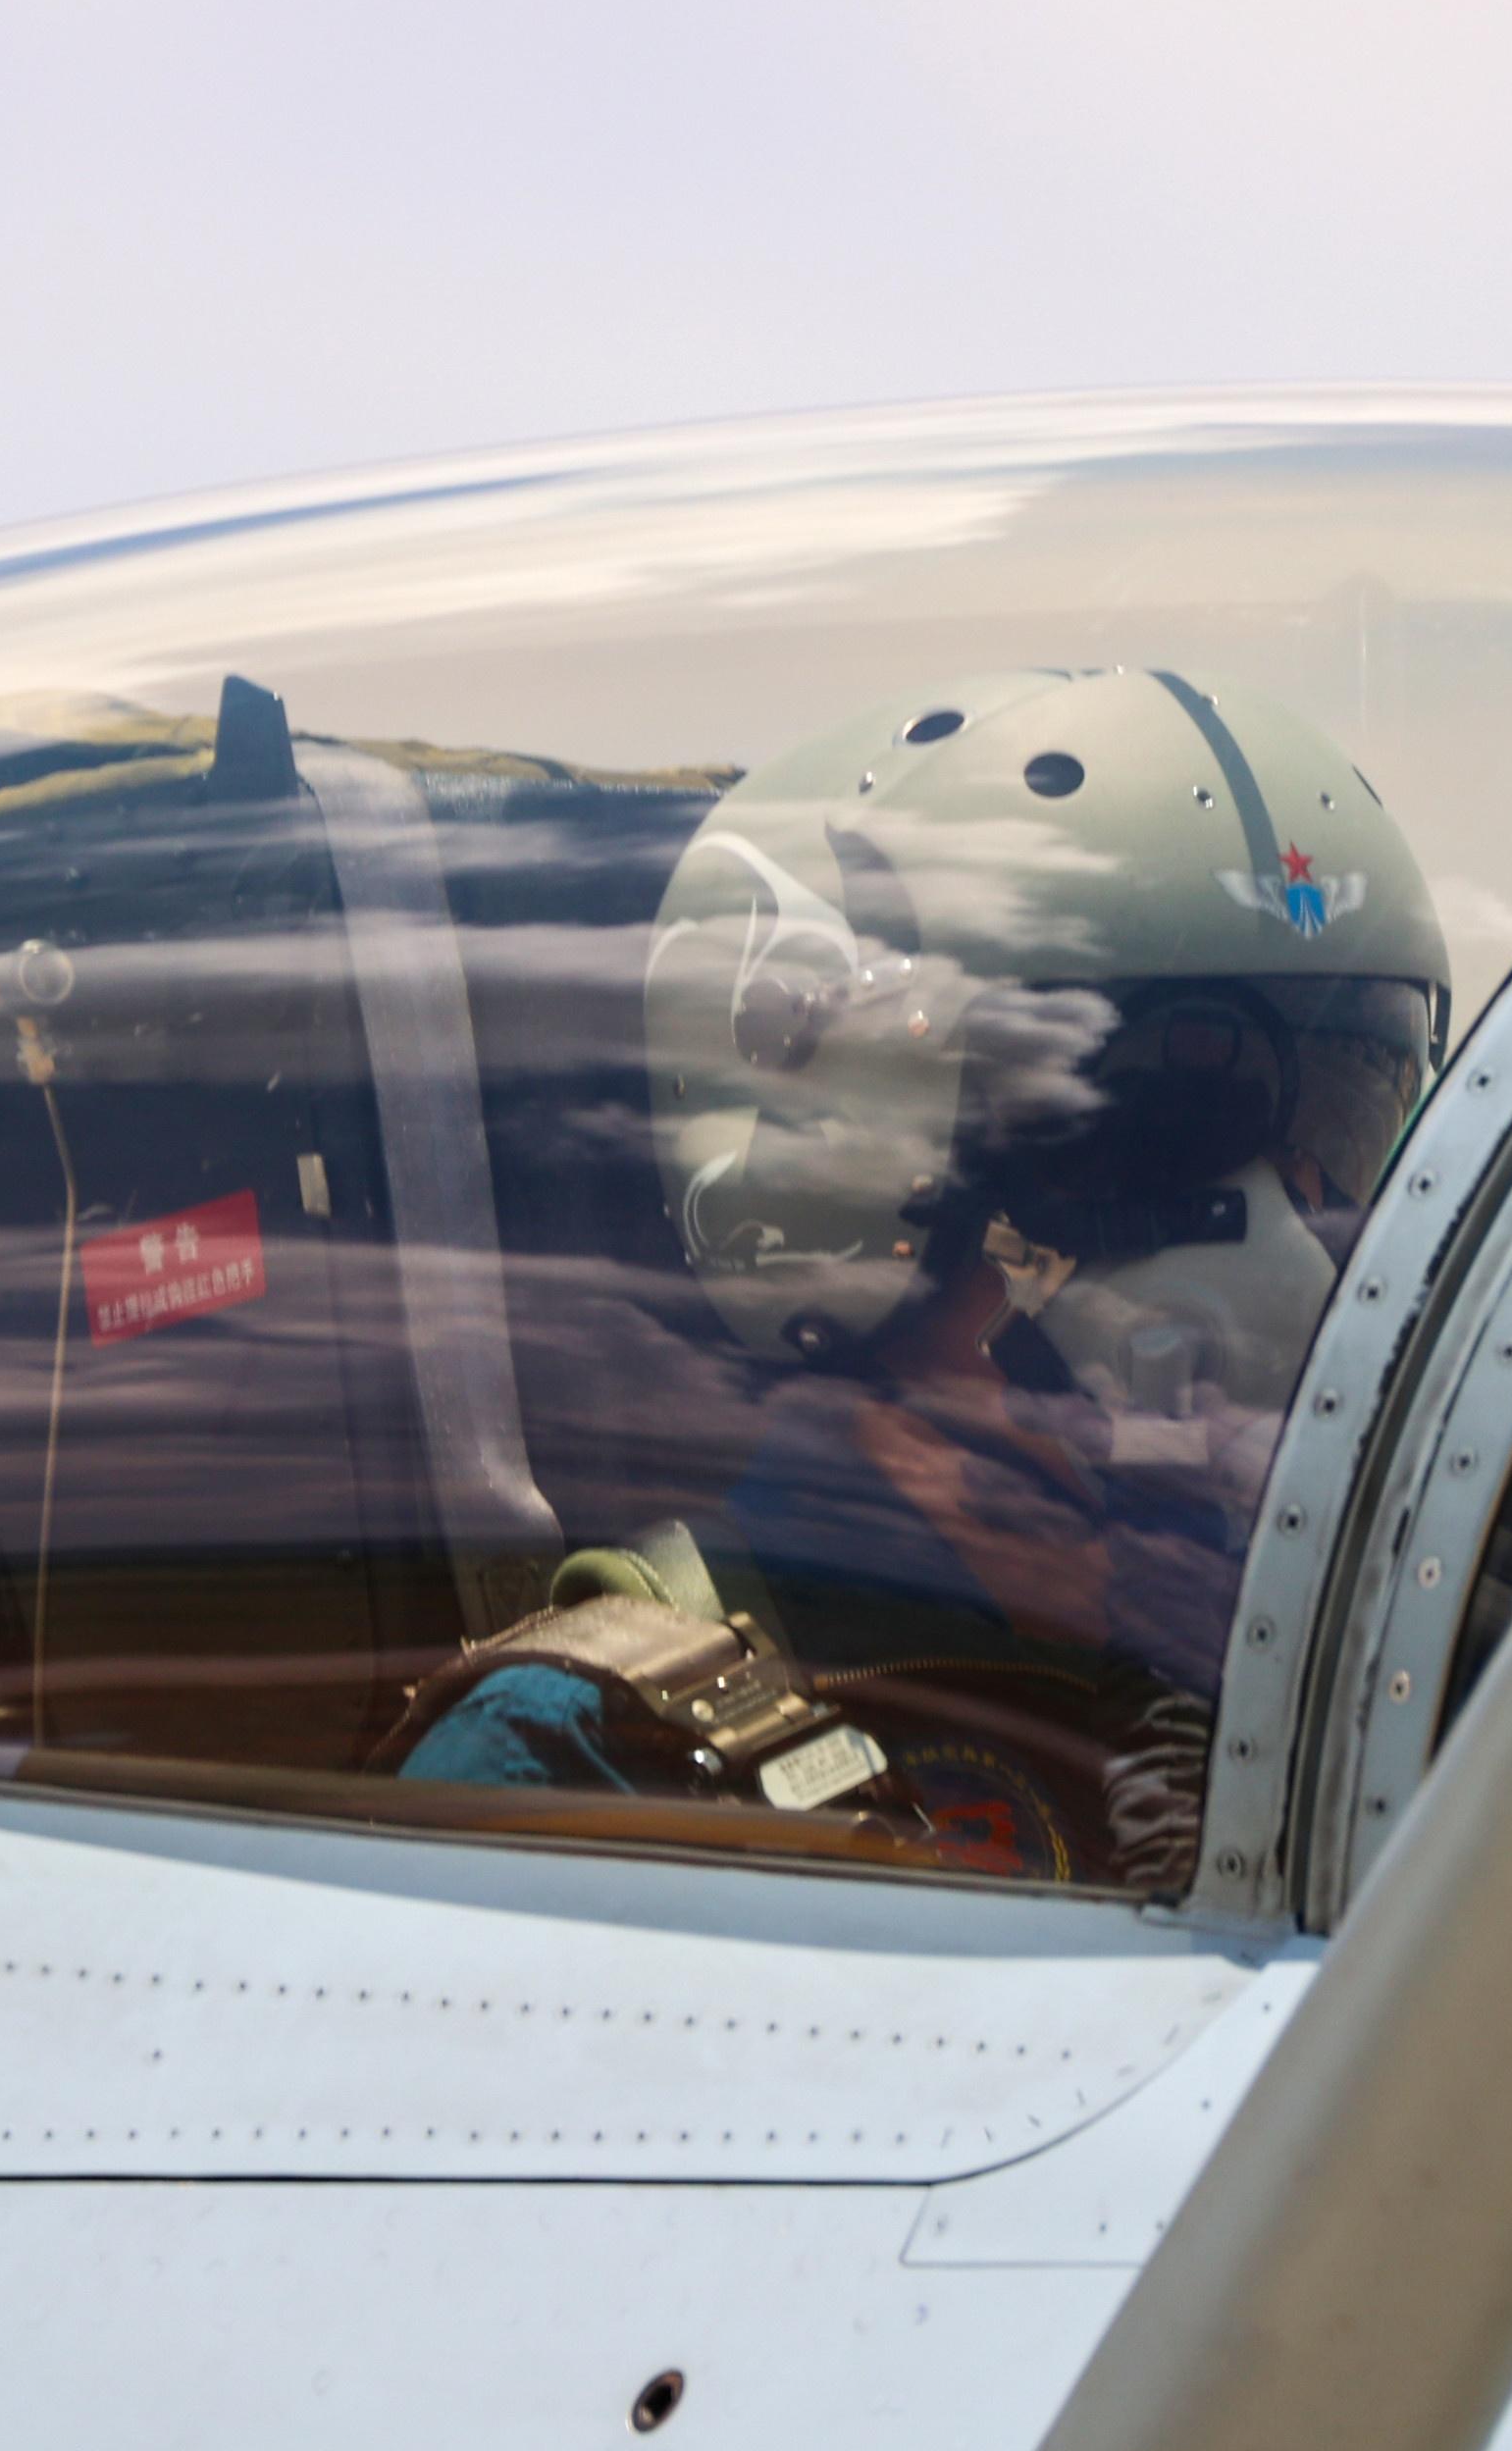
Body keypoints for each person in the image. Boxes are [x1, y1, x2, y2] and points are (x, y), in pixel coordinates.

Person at [388, 666, 1448, 1878]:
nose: (1275, 1233)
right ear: (843, 1180)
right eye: (1142, 1136)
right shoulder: (579, 1754)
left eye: (1325, 1141)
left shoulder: (1386, 1669)